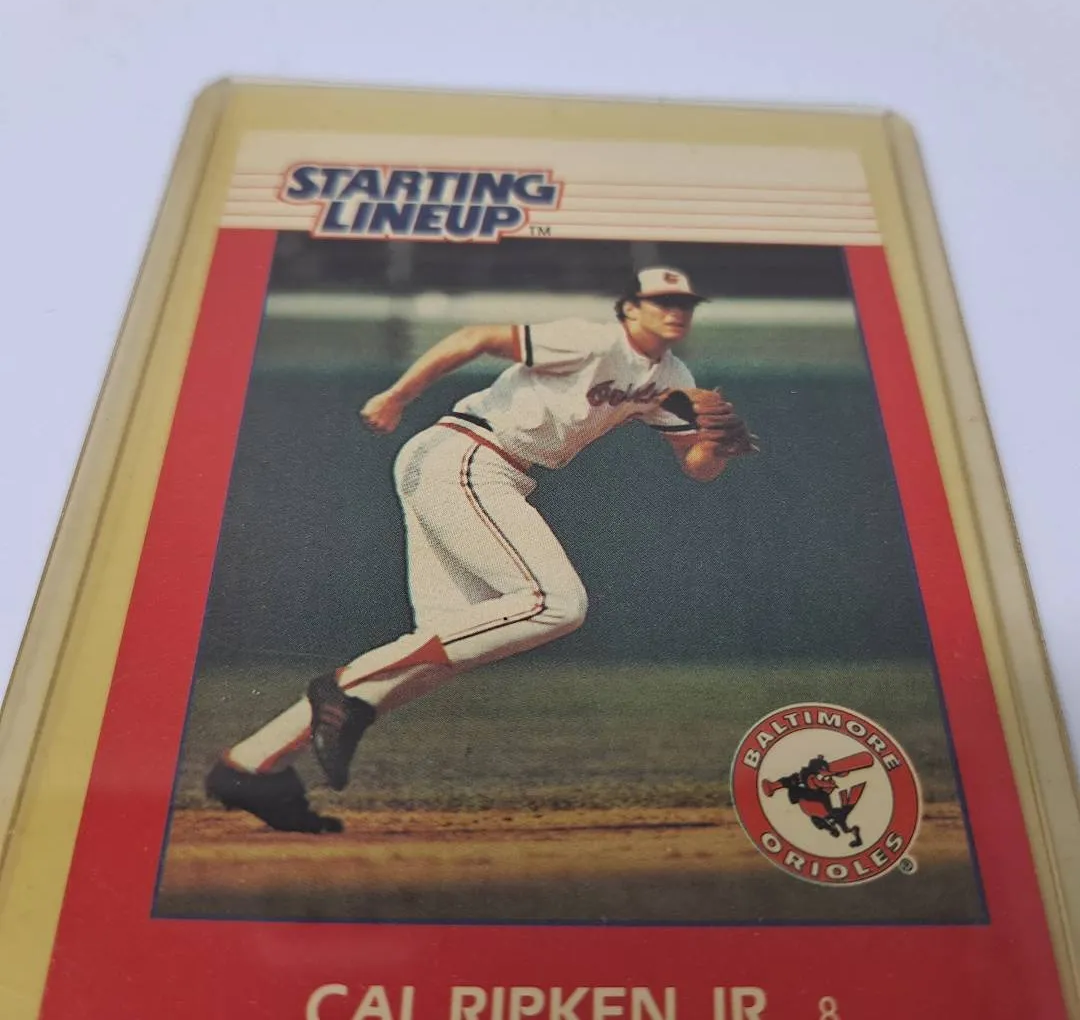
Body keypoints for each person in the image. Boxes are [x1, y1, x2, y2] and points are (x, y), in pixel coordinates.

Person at [205, 266, 756, 832]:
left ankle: (252, 766)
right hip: (466, 456)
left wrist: (716, 447)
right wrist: (397, 396)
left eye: (684, 303)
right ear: (630, 308)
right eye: (661, 301)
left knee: (441, 651)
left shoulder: (674, 376)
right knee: (555, 604)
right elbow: (476, 337)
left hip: (478, 467)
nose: (675, 311)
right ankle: (342, 689)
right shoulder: (590, 340)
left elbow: (697, 468)